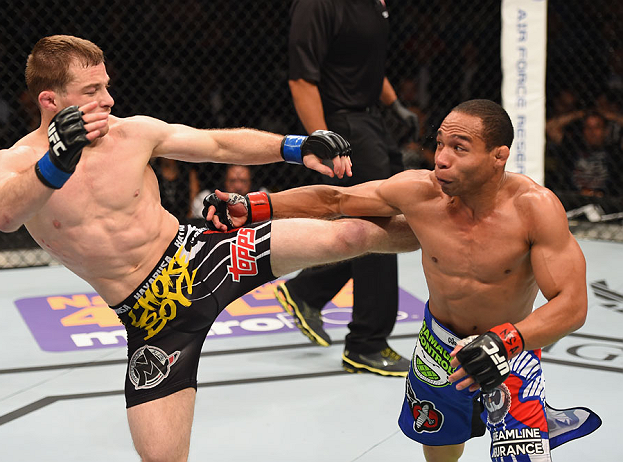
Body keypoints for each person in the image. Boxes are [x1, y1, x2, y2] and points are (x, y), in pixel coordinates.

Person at [0, 35, 420, 462]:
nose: (109, 100)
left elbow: (218, 144)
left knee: (350, 235)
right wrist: (54, 163)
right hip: (150, 315)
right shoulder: (15, 162)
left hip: (200, 257)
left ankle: (443, 232)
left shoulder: (132, 133)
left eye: (107, 86)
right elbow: (4, 214)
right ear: (49, 101)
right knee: (161, 456)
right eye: (92, 91)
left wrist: (295, 146)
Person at [204, 99, 601, 461]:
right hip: (439, 347)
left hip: (510, 351)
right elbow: (335, 200)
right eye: (441, 144)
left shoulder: (534, 208)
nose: (441, 158)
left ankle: (534, 414)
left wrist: (503, 342)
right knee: (441, 452)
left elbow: (572, 304)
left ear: (498, 157)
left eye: (459, 149)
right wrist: (257, 205)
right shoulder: (421, 192)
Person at [276, 0, 420, 376]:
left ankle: (308, 292)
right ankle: (366, 344)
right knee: (378, 224)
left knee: (388, 223)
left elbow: (367, 60)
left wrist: (395, 104)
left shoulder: (376, 3)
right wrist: (323, 138)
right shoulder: (318, 4)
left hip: (372, 119)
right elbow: (301, 79)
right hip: (344, 124)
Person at [190, 164, 259, 219]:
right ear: (225, 181)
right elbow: (199, 220)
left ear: (250, 182)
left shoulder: (261, 195)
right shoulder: (206, 197)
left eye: (243, 181)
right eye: (233, 181)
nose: (238, 186)